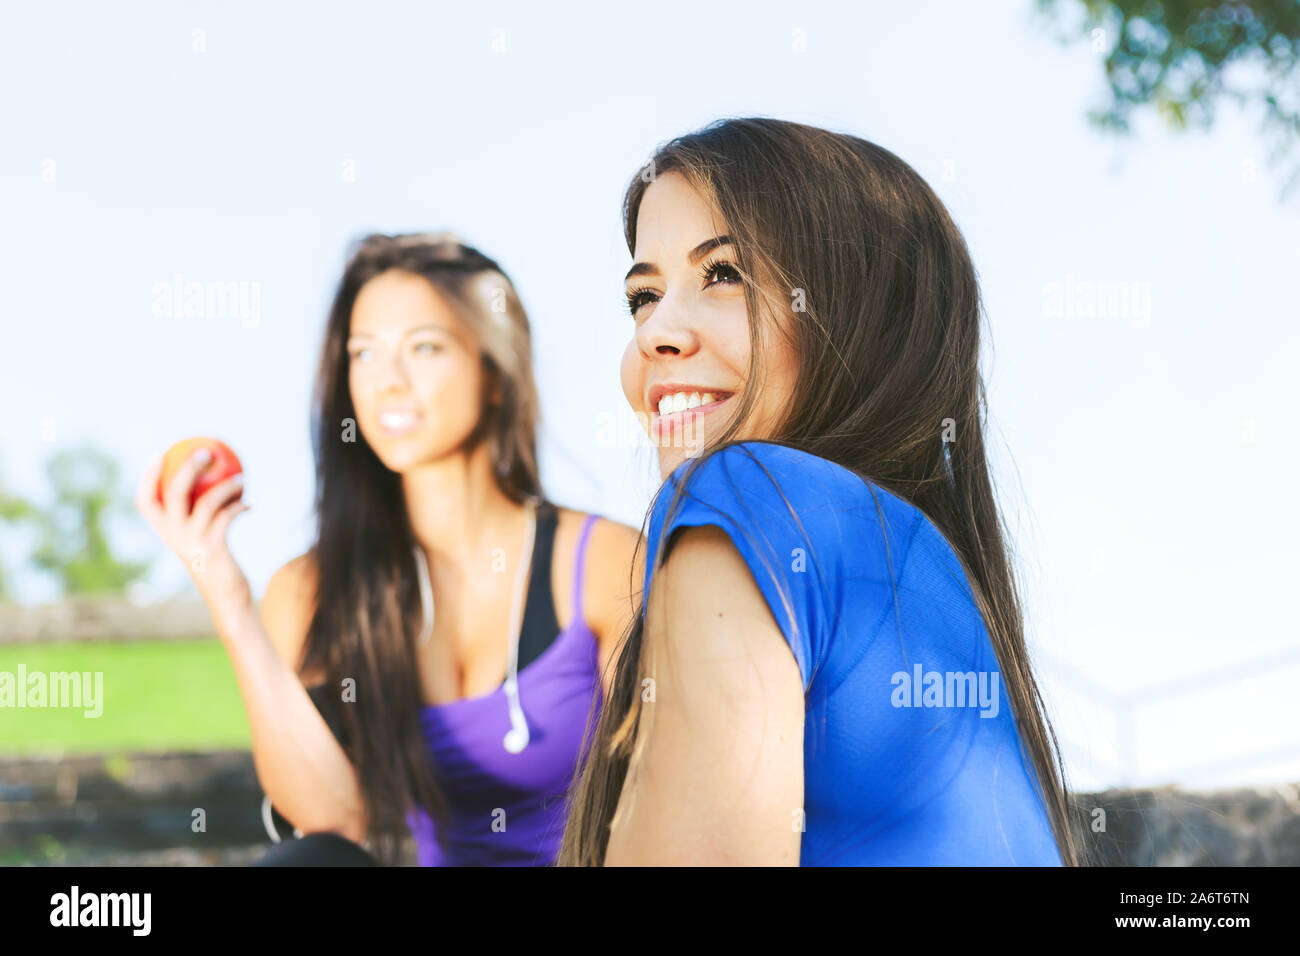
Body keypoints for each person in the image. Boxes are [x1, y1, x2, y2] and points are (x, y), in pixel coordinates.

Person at [559, 118, 1082, 866]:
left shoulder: (751, 492)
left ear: (858, 311)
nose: (655, 333)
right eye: (643, 295)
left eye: (723, 274)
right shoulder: (930, 575)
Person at [138, 232, 641, 865]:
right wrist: (230, 600)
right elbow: (330, 822)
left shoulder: (601, 563)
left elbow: (664, 798)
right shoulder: (310, 589)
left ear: (494, 370)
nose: (388, 383)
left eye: (424, 348)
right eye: (364, 354)